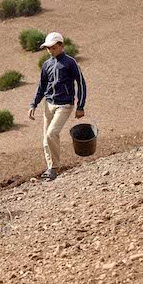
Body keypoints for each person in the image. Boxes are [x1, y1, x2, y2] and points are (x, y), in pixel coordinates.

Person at [28, 32, 87, 181]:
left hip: (65, 105)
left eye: (53, 47)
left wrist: (80, 106)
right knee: (45, 139)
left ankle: (54, 168)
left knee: (51, 133)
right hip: (48, 104)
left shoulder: (70, 62)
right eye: (48, 48)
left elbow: (81, 83)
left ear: (61, 46)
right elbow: (41, 86)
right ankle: (51, 168)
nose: (51, 51)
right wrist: (34, 104)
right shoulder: (46, 64)